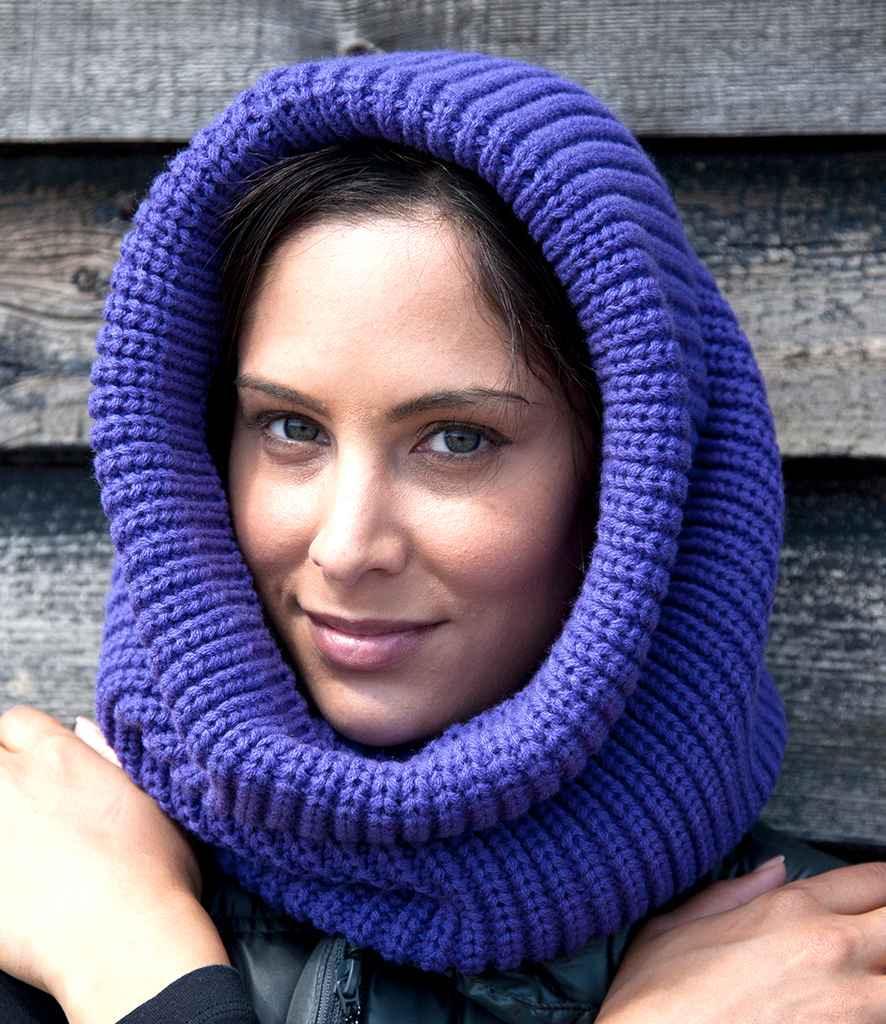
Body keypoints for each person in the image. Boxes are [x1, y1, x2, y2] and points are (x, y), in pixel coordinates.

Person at [2, 48, 885, 1024]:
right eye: (290, 427)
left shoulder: (829, 972)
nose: (348, 547)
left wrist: (132, 976)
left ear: (631, 479)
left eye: (457, 439)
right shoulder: (37, 890)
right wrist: (124, 947)